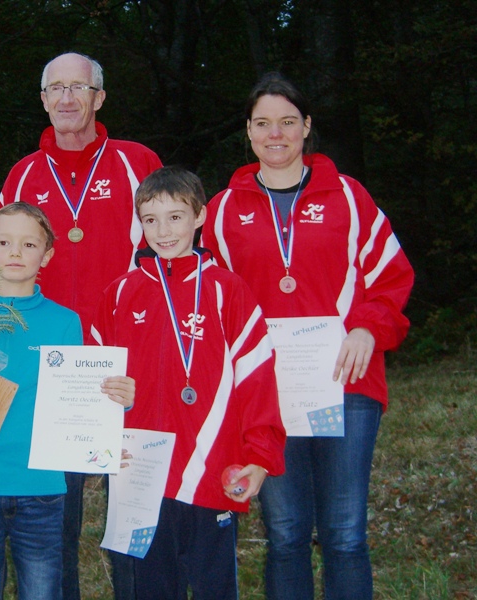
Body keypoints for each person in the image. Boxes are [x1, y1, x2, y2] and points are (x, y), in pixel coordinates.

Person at [200, 72, 414, 599]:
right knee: (287, 534)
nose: (277, 134)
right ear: (248, 133)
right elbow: (210, 300)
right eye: (264, 123)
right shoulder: (225, 209)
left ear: (307, 127)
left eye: (288, 122)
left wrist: (368, 326)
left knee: (344, 535)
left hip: (347, 383)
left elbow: (390, 274)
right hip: (268, 395)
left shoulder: (348, 195)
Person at [0, 52, 162, 599]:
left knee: (135, 513)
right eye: (54, 88)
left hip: (128, 364)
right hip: (52, 372)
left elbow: (169, 250)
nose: (65, 98)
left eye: (77, 88)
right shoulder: (23, 174)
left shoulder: (137, 161)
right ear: (42, 100)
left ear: (98, 98)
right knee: (55, 523)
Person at [0, 202, 135, 599]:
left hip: (42, 487)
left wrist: (116, 402)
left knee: (42, 591)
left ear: (47, 254)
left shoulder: (66, 322)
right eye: (4, 242)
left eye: (28, 244)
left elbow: (83, 399)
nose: (15, 252)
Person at [92, 166, 287, 600]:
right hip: (139, 474)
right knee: (150, 588)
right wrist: (102, 421)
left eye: (176, 216)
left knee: (214, 586)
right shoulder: (120, 294)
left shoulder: (228, 291)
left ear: (200, 216)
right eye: (150, 219)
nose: (163, 230)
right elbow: (93, 381)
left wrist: (260, 452)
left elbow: (257, 376)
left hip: (210, 469)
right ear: (138, 223)